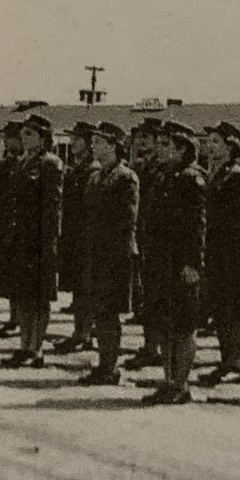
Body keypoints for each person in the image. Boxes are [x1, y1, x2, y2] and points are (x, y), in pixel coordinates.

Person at [143, 124, 206, 405]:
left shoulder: (191, 179)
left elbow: (197, 226)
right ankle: (169, 380)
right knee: (165, 323)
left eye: (166, 144)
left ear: (183, 149)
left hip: (181, 263)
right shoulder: (164, 176)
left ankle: (181, 383)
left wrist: (192, 263)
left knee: (182, 325)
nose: (159, 148)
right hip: (161, 261)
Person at [0, 113, 64, 368]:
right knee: (23, 296)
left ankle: (36, 348)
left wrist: (49, 243)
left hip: (38, 242)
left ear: (43, 138)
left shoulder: (50, 163)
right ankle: (24, 345)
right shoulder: (22, 161)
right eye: (23, 134)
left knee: (38, 298)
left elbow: (52, 207)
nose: (24, 139)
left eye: (30, 134)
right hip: (20, 239)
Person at [77, 121, 139, 385]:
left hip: (114, 256)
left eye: (100, 142)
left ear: (114, 146)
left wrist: (111, 251)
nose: (94, 146)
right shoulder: (96, 176)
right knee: (99, 311)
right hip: (96, 253)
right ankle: (104, 364)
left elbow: (127, 221)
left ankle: (110, 367)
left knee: (110, 312)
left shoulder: (125, 177)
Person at [198, 122, 240, 387]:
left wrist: (238, 257)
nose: (210, 146)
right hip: (214, 252)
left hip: (230, 254)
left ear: (231, 147)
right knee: (220, 310)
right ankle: (226, 361)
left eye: (216, 142)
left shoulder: (237, 176)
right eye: (209, 141)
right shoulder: (214, 173)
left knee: (232, 310)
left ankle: (234, 363)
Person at [123, 118, 169, 370]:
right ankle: (150, 347)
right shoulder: (141, 166)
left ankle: (158, 348)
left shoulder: (164, 170)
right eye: (141, 137)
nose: (142, 142)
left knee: (158, 297)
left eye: (148, 138)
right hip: (145, 238)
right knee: (147, 296)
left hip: (160, 242)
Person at [55, 121, 97, 354]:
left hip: (86, 238)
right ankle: (80, 332)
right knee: (78, 289)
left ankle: (85, 333)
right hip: (73, 235)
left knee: (86, 289)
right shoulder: (77, 169)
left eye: (77, 139)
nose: (72, 143)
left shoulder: (93, 171)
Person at [0, 121, 24, 338]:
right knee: (9, 273)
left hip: (17, 223)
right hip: (5, 222)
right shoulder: (8, 162)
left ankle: (18, 320)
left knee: (18, 274)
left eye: (13, 138)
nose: (8, 142)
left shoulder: (23, 163)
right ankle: (13, 318)